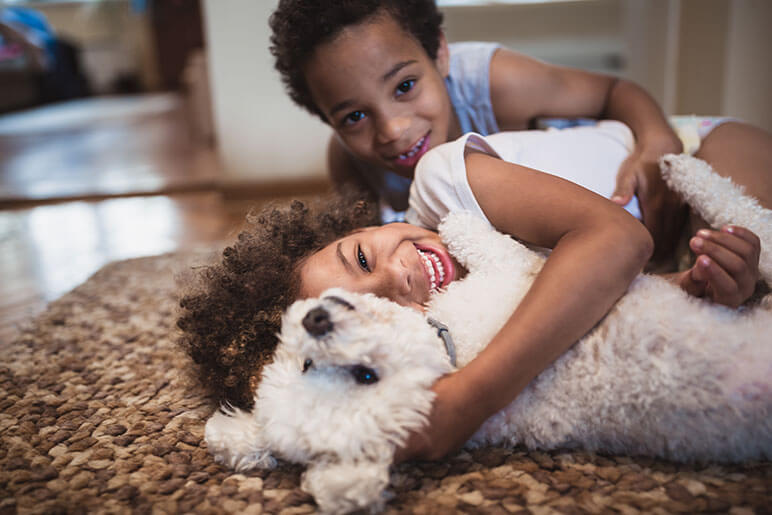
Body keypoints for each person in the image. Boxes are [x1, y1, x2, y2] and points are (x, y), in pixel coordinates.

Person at [269, 0, 688, 263]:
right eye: (354, 117)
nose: (393, 130)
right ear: (326, 119)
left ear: (440, 52)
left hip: (618, 180)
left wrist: (658, 142)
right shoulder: (350, 164)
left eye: (405, 87)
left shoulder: (496, 83)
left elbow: (615, 89)